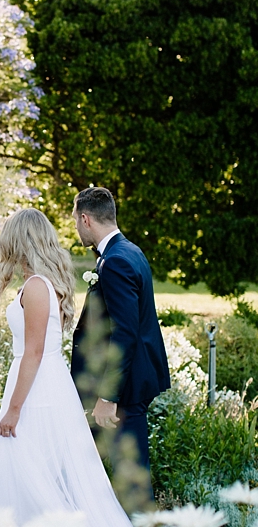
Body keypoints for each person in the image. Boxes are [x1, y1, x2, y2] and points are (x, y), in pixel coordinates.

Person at [0, 207, 228, 527]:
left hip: (36, 393)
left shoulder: (38, 288)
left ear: (19, 239)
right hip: (42, 388)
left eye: (6, 235)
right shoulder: (41, 284)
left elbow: (37, 353)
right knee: (28, 479)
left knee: (33, 482)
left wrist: (13, 410)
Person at [70, 187, 170, 500]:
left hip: (124, 388)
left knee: (132, 475)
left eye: (76, 221)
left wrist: (108, 397)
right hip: (133, 379)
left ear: (85, 219)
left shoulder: (115, 262)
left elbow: (125, 333)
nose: (76, 228)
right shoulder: (130, 251)